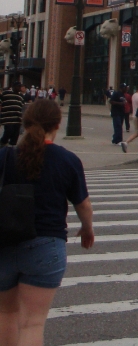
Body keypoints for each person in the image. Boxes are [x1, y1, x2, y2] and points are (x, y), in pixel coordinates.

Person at [0, 100, 94, 345]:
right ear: (58, 124)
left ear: (25, 122)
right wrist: (87, 229)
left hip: (4, 243)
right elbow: (83, 204)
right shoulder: (66, 159)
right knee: (32, 322)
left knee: (5, 314)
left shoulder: (4, 156)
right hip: (45, 244)